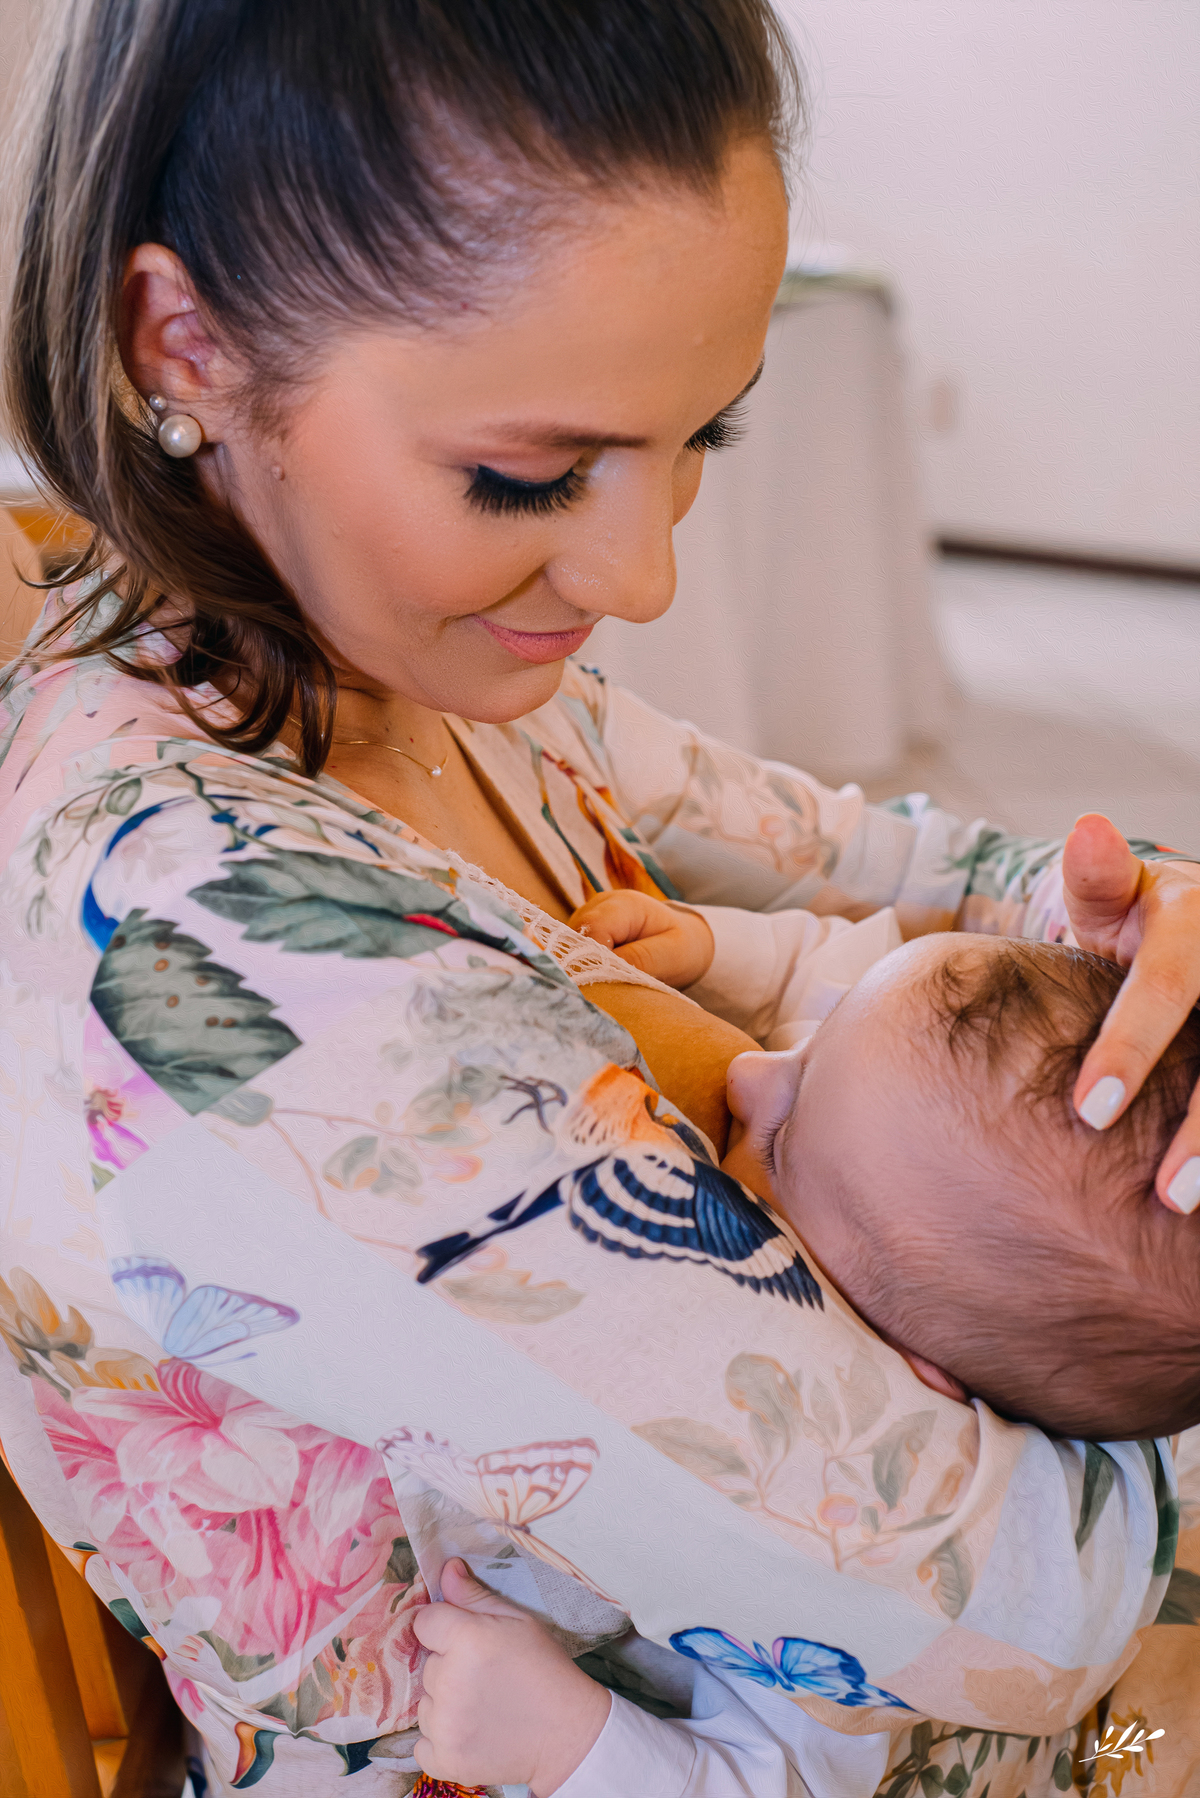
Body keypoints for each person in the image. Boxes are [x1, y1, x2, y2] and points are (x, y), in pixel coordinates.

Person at [3, 3, 1200, 1794]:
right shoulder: (227, 956)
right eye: (530, 474)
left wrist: (1142, 923)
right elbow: (1027, 1613)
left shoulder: (407, 661)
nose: (639, 575)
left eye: (702, 431)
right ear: (183, 340)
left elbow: (909, 861)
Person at [403, 935, 1200, 1794]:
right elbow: (863, 985)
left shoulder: (864, 1568)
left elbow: (783, 1779)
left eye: (778, 1144)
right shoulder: (906, 1180)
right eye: (816, 1034)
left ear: (896, 1379)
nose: (749, 1072)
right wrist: (719, 949)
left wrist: (568, 1743)